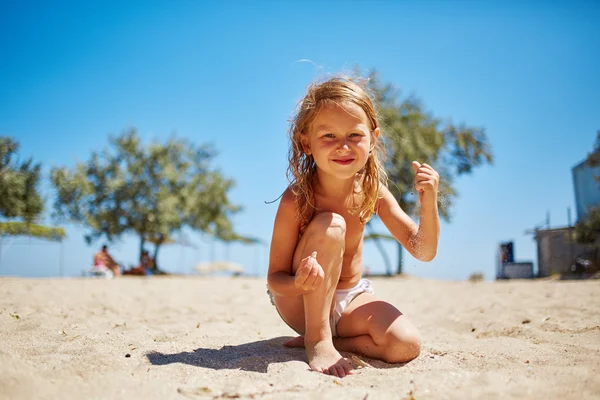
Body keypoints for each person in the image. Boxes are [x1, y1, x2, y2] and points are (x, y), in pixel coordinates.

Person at [267, 76, 440, 378]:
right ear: (306, 142)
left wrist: (428, 202)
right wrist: (300, 284)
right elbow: (275, 279)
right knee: (332, 225)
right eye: (329, 136)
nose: (343, 146)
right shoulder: (296, 199)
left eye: (354, 135)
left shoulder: (373, 192)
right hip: (299, 301)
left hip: (350, 299)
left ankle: (334, 340)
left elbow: (423, 251)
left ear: (373, 139)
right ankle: (317, 339)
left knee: (405, 345)